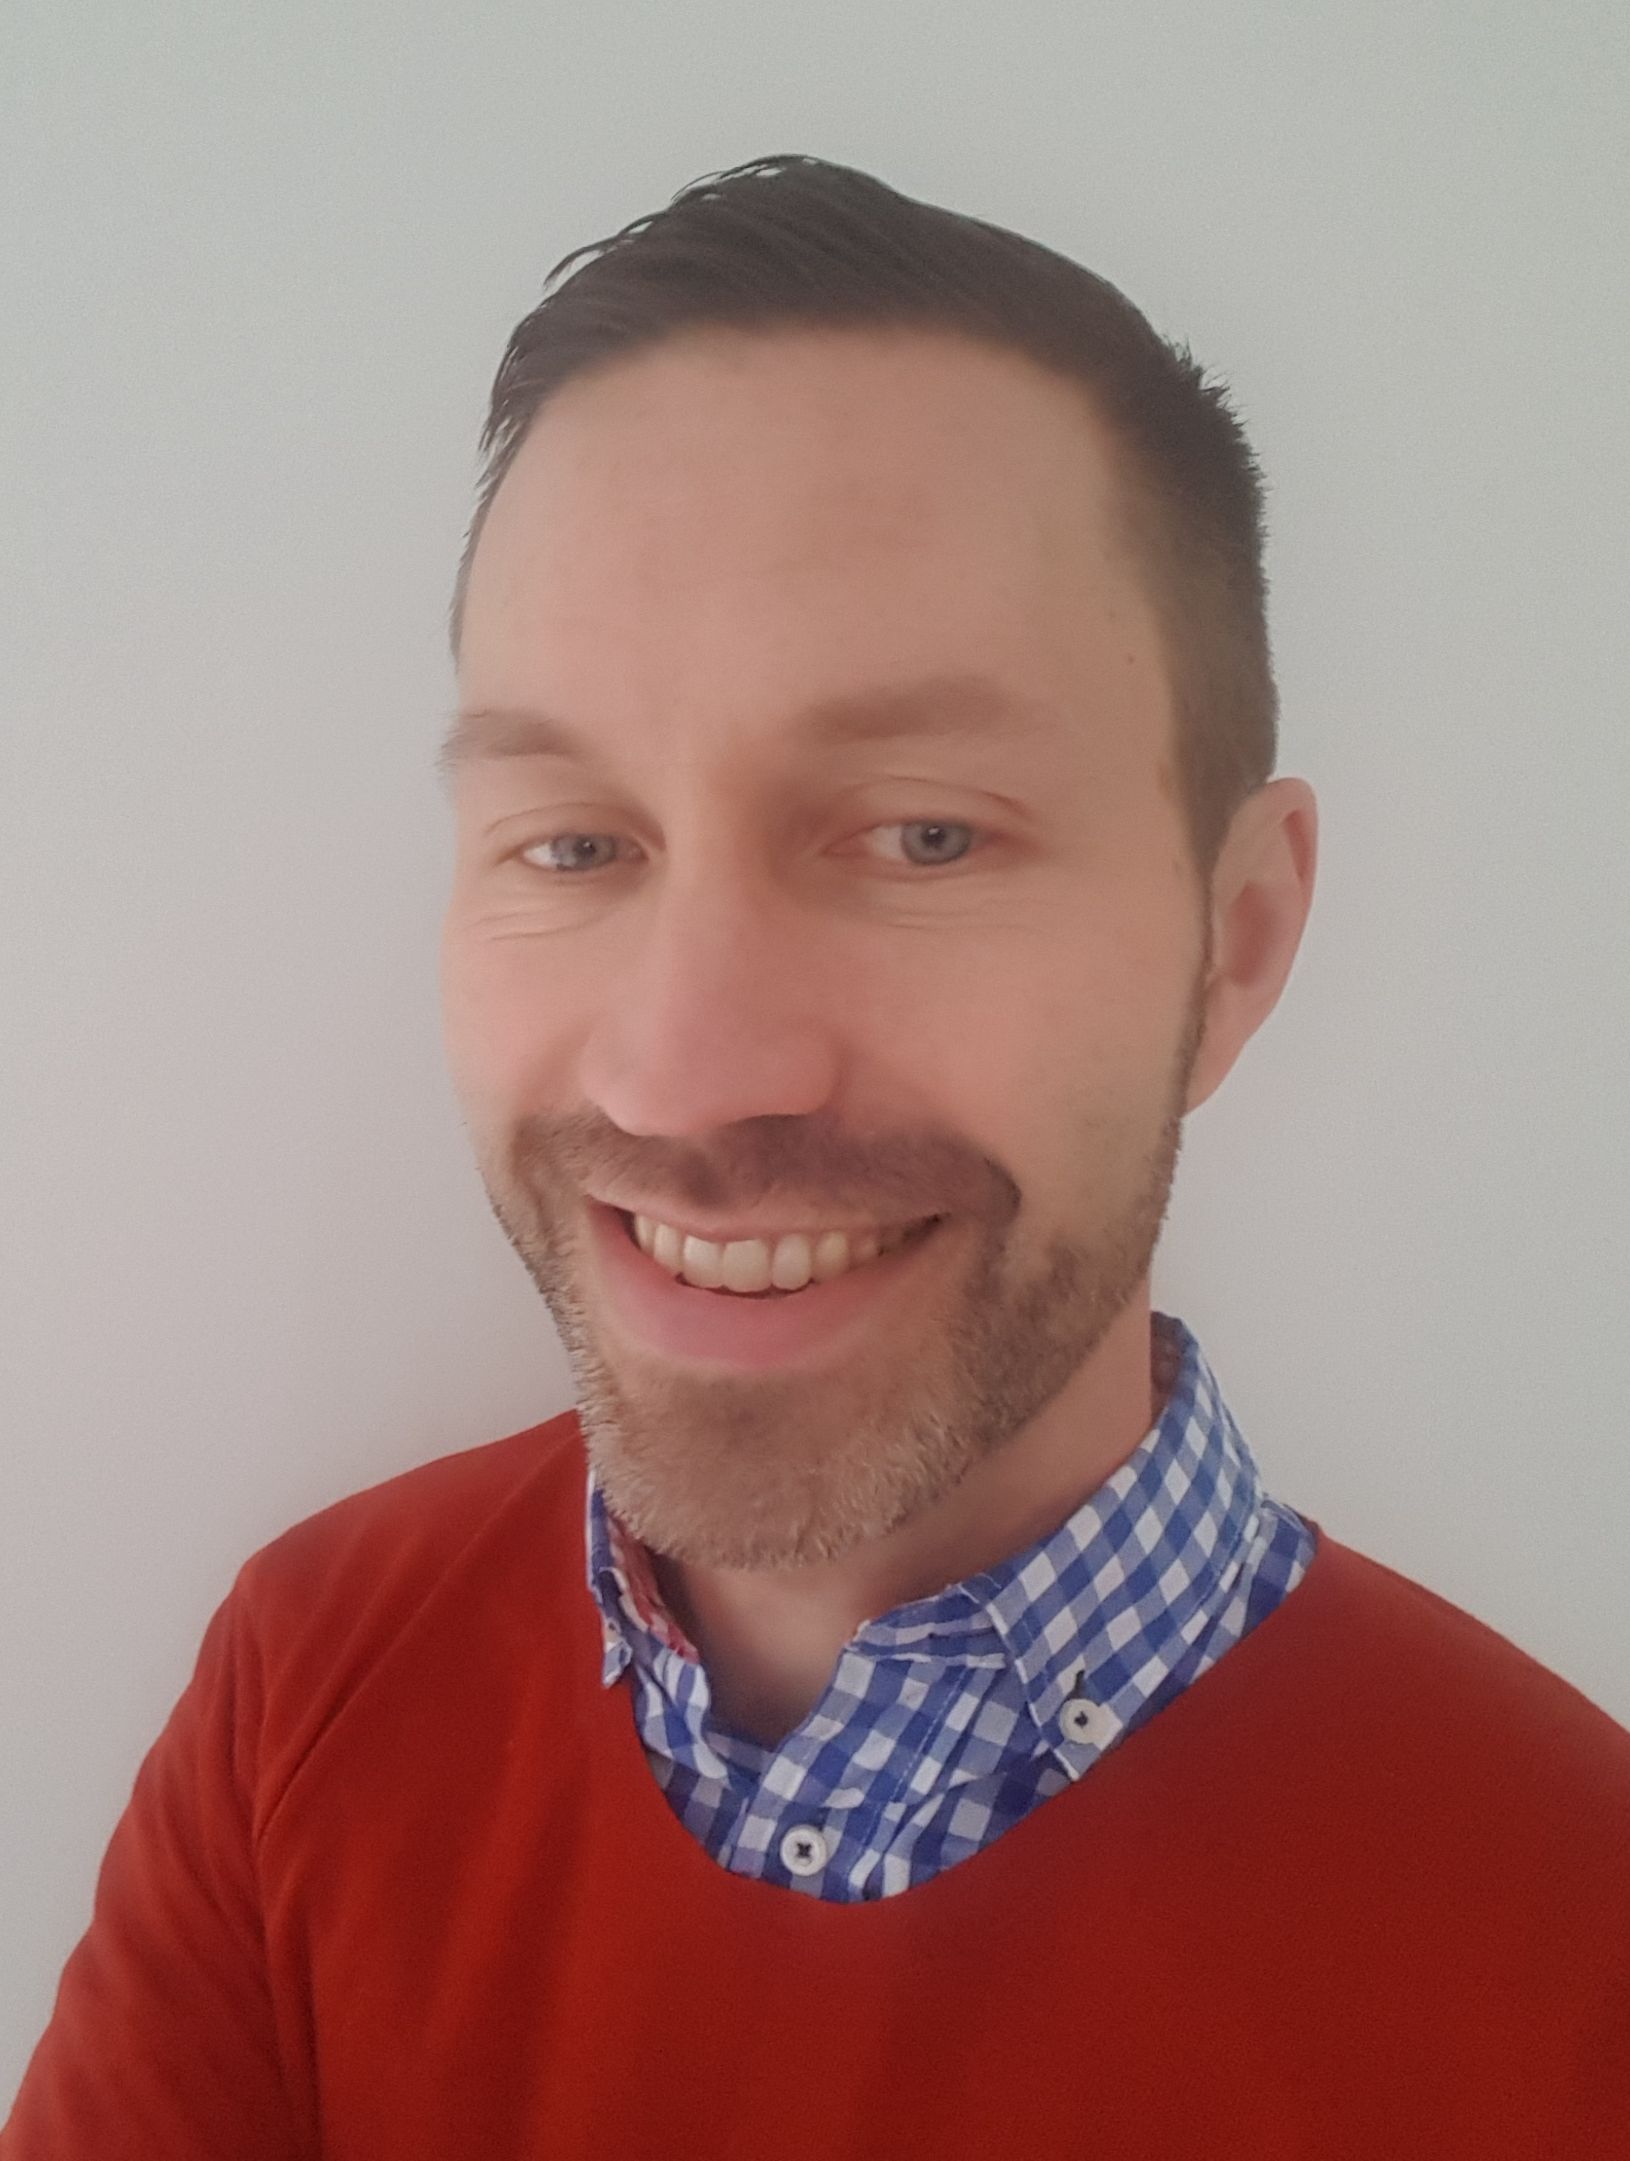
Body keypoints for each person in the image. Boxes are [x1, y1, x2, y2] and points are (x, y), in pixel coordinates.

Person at [6, 153, 1627, 2160]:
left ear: (1234, 939)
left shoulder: (1581, 1946)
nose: (685, 1077)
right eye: (571, 842)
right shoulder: (309, 1682)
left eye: (921, 833)